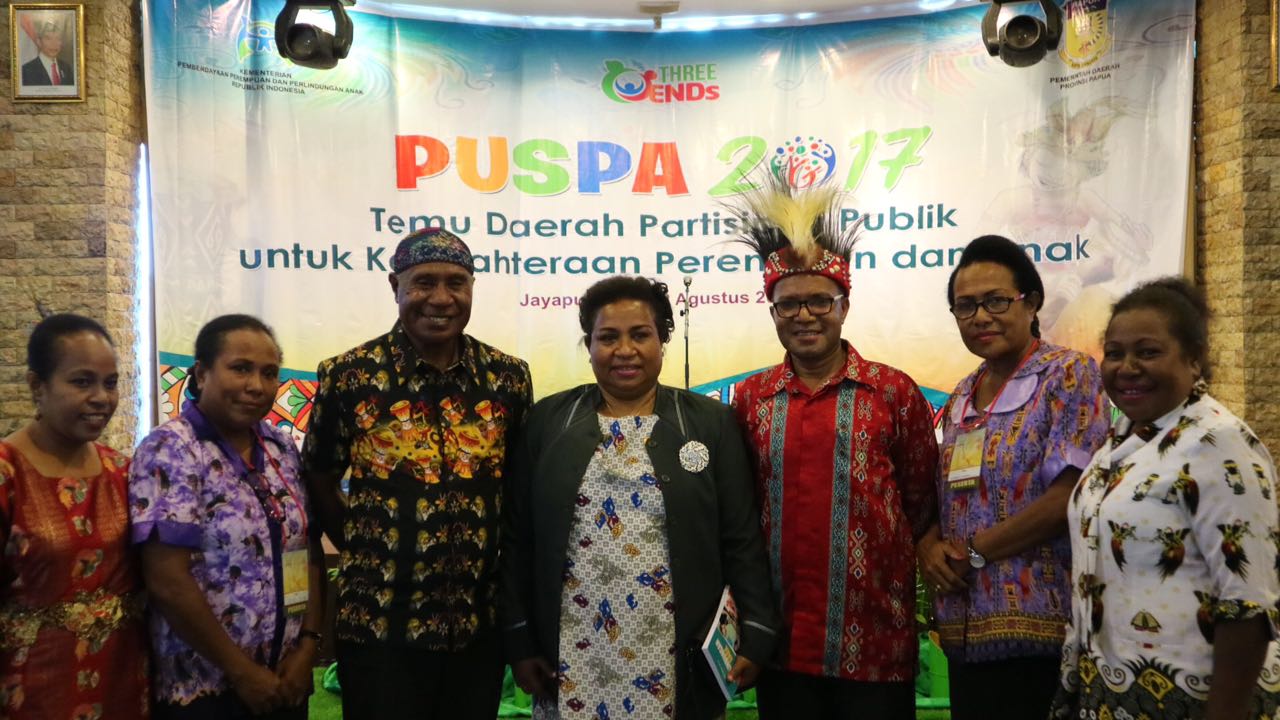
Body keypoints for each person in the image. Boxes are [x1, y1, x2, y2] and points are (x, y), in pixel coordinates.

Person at [501, 276, 779, 720]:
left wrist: (757, 630)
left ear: (662, 340)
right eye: (608, 337)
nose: (624, 350)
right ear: (589, 344)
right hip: (572, 652)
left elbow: (741, 538)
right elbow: (519, 540)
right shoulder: (548, 422)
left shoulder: (711, 423)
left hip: (678, 653)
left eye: (640, 335)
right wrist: (520, 638)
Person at [303, 227, 533, 720]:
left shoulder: (506, 377)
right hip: (380, 625)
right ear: (396, 286)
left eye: (456, 282)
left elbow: (517, 488)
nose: (441, 299)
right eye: (424, 282)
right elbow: (318, 476)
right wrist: (369, 547)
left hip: (476, 628)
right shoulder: (350, 375)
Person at [730, 184, 939, 720]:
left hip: (875, 643)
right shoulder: (751, 399)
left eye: (820, 301)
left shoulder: (893, 391)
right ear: (772, 312)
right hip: (781, 644)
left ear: (844, 306)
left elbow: (921, 504)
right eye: (789, 303)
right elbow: (742, 512)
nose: (805, 315)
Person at [1051, 277, 1280, 719]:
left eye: (1148, 352)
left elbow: (1248, 606)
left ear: (1194, 360)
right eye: (1114, 353)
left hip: (1199, 700)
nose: (1127, 367)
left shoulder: (1219, 444)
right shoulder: (1122, 440)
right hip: (1114, 695)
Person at [917, 235, 1110, 720]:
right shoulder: (963, 393)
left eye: (997, 301)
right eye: (966, 306)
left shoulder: (1068, 374)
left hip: (1042, 630)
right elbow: (947, 494)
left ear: (1032, 302)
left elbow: (1070, 495)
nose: (981, 316)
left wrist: (975, 551)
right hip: (964, 627)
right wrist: (931, 545)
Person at [130, 314, 325, 719]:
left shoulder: (281, 448)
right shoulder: (172, 449)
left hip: (284, 680)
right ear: (202, 373)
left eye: (269, 373)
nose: (256, 385)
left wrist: (307, 646)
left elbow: (305, 550)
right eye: (240, 368)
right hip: (207, 690)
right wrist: (242, 672)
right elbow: (167, 581)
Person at [0, 313, 148, 718]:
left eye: (110, 383)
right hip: (34, 691)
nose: (101, 397)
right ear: (37, 385)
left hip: (124, 681)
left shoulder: (124, 472)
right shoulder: (8, 474)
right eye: (82, 382)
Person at [20, 21, 73, 87]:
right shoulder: (26, 71)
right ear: (39, 42)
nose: (54, 44)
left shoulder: (67, 68)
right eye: (48, 38)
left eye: (58, 39)